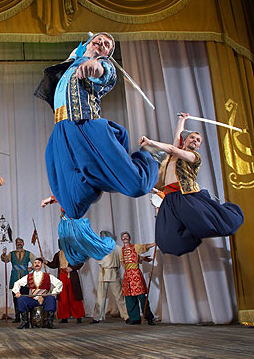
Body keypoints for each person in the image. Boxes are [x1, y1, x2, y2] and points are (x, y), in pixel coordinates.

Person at [35, 33, 158, 219]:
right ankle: (96, 178)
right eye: (98, 40)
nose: (101, 43)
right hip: (61, 131)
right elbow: (75, 55)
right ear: (87, 44)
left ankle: (150, 155)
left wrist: (95, 65)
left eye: (107, 45)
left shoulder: (101, 64)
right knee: (73, 207)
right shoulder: (72, 64)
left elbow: (104, 73)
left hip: (84, 125)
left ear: (107, 54)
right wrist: (81, 55)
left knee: (136, 186)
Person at [139, 113, 244, 256]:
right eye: (192, 137)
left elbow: (172, 148)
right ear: (185, 140)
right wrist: (181, 120)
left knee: (209, 225)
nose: (195, 140)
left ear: (199, 146)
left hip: (185, 196)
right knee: (166, 239)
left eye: (198, 140)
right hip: (170, 199)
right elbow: (177, 139)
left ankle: (206, 223)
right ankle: (190, 232)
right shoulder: (175, 154)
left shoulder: (194, 157)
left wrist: (150, 143)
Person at [40, 201, 115, 265]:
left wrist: (51, 199)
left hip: (74, 224)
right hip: (64, 223)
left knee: (85, 243)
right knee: (71, 249)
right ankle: (79, 254)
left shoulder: (72, 196)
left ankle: (104, 244)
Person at [13, 258, 63, 329]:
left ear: (41, 264)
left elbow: (59, 283)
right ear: (33, 265)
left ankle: (49, 322)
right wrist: (17, 292)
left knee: (51, 298)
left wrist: (54, 292)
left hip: (44, 299)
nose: (37, 264)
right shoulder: (28, 276)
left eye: (39, 262)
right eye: (35, 263)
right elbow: (17, 283)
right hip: (33, 299)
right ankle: (25, 322)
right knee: (21, 299)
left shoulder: (48, 276)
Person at [90, 231, 129, 324]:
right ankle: (97, 317)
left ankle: (126, 315)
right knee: (101, 296)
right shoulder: (100, 247)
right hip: (103, 272)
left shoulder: (117, 248)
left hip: (113, 272)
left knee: (119, 295)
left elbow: (123, 259)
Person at [119, 232, 155, 325]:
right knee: (129, 298)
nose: (125, 238)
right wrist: (140, 259)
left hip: (136, 274)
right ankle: (134, 318)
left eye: (126, 237)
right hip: (127, 275)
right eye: (123, 237)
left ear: (129, 238)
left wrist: (154, 244)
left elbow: (144, 247)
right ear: (121, 239)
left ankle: (149, 317)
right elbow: (122, 261)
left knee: (142, 297)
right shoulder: (121, 250)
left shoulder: (135, 247)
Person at [46, 247, 85, 323]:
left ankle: (78, 316)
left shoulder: (73, 252)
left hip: (71, 277)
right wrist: (46, 262)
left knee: (73, 297)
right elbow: (54, 264)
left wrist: (72, 268)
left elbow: (81, 262)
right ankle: (64, 317)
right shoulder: (58, 254)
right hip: (62, 277)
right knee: (63, 298)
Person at [1, 238, 35, 322]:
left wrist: (32, 268)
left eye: (21, 242)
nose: (19, 243)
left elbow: (35, 261)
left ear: (23, 243)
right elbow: (5, 260)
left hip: (25, 278)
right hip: (15, 278)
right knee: (16, 298)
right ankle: (17, 317)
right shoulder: (11, 254)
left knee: (25, 297)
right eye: (18, 242)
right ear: (16, 244)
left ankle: (25, 317)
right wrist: (4, 254)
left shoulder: (28, 253)